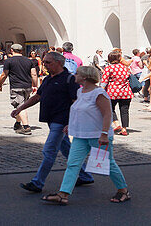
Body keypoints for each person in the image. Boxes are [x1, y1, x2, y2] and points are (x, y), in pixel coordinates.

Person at [43, 64, 130, 205]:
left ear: (85, 77)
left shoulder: (99, 93)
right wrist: (70, 125)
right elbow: (79, 112)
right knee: (73, 164)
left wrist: (104, 134)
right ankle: (63, 194)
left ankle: (123, 190)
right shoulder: (80, 92)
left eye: (77, 74)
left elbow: (107, 114)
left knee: (108, 163)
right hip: (81, 135)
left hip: (98, 136)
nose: (74, 76)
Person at [12, 50, 93, 194]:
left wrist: (71, 122)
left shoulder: (69, 79)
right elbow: (37, 97)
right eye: (44, 62)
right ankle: (85, 175)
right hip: (51, 120)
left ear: (59, 63)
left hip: (61, 121)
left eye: (48, 62)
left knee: (49, 151)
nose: (45, 65)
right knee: (66, 149)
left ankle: (37, 183)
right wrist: (20, 108)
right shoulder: (48, 79)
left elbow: (76, 103)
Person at [0, 43, 39, 135]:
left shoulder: (9, 61)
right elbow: (34, 74)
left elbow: (4, 74)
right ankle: (17, 123)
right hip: (27, 87)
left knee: (20, 106)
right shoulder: (29, 61)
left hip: (16, 87)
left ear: (11, 50)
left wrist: (0, 84)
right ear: (21, 51)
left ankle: (26, 127)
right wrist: (35, 85)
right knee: (22, 105)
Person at [101, 49, 132, 135]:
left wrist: (101, 90)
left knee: (109, 108)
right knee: (124, 110)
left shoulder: (109, 68)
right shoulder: (125, 68)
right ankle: (124, 129)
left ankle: (116, 123)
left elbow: (104, 81)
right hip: (126, 92)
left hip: (112, 92)